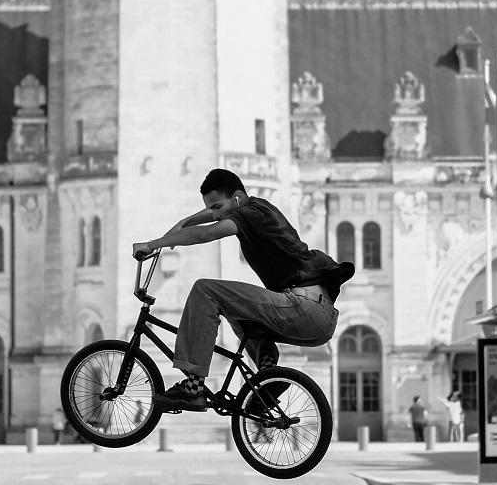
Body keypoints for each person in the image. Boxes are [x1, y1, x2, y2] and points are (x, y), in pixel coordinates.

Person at [132, 168, 353, 411]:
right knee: (239, 312)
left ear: (237, 198)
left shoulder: (251, 214)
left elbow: (206, 235)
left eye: (217, 207)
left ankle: (193, 387)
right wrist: (185, 221)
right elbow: (210, 216)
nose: (214, 215)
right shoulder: (258, 208)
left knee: (205, 290)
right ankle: (268, 377)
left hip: (305, 307)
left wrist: (153, 244)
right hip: (315, 314)